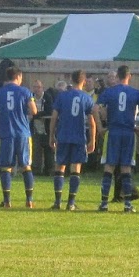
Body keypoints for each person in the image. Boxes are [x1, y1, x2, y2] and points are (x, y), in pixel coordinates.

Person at [97, 66, 139, 212]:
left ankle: (104, 203)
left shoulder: (109, 91)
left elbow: (96, 108)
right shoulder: (135, 92)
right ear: (129, 76)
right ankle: (127, 204)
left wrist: (100, 127)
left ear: (118, 76)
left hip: (113, 131)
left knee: (109, 166)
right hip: (128, 132)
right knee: (126, 167)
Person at [0, 66, 37, 208]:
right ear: (18, 77)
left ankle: (7, 201)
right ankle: (29, 200)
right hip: (23, 133)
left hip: (5, 133)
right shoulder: (25, 91)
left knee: (6, 167)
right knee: (26, 166)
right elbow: (34, 110)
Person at [48, 70, 96, 211]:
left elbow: (54, 117)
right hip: (79, 137)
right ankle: (71, 203)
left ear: (71, 79)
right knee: (76, 168)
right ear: (84, 81)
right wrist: (92, 139)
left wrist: (51, 135)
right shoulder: (87, 98)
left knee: (60, 166)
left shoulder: (62, 96)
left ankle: (57, 202)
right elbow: (92, 122)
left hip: (63, 136)